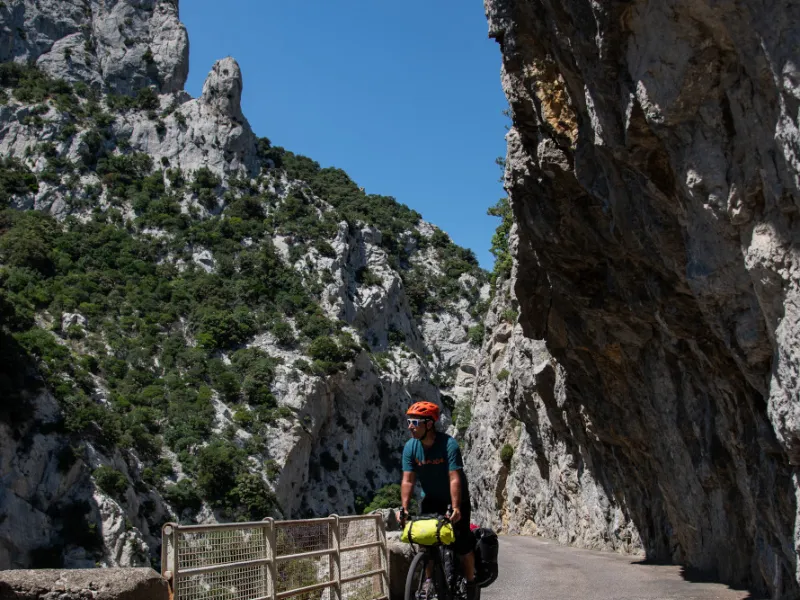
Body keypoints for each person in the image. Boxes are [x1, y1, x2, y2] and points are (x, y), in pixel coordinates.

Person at [400, 401, 478, 600]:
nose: (410, 426)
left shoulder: (448, 444)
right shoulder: (410, 447)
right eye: (409, 422)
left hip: (456, 499)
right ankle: (428, 581)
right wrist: (404, 508)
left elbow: (454, 477)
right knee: (425, 541)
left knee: (462, 544)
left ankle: (471, 583)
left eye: (414, 422)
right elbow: (408, 480)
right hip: (431, 499)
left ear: (429, 424)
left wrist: (456, 507)